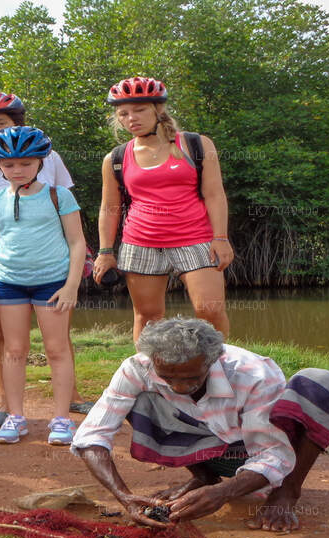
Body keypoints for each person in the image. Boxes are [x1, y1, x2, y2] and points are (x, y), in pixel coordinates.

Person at [72, 317, 329, 533]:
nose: (179, 387)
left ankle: (287, 491)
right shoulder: (137, 368)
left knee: (318, 381)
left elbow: (273, 454)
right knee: (139, 400)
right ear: (153, 361)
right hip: (211, 447)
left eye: (192, 378)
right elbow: (91, 436)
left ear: (213, 360)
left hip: (259, 450)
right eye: (168, 377)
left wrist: (224, 494)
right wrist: (124, 496)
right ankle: (204, 476)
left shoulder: (253, 373)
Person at [0, 93, 91, 428]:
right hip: (4, 268)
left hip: (50, 265)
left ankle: (67, 405)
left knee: (58, 340)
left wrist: (72, 280)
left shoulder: (48, 160)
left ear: (17, 124)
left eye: (1, 123)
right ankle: (8, 406)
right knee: (8, 340)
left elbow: (72, 229)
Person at [91, 77, 233, 342]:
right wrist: (105, 252)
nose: (131, 118)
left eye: (140, 110)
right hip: (141, 242)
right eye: (123, 114)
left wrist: (221, 238)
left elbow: (214, 195)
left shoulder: (197, 144)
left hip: (195, 238)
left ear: (158, 110)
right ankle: (148, 375)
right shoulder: (116, 158)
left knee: (209, 311)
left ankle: (217, 372)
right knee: (147, 317)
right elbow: (109, 208)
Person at [0, 126, 87, 446]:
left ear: (40, 162)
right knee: (14, 350)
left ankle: (62, 419)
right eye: (8, 165)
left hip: (52, 283)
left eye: (25, 163)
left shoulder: (58, 195)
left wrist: (71, 286)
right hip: (10, 283)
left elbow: (77, 242)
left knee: (57, 349)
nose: (16, 170)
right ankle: (15, 416)